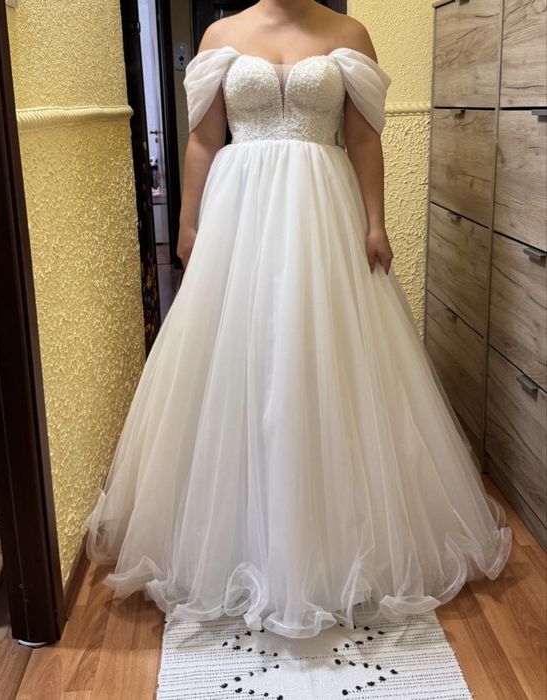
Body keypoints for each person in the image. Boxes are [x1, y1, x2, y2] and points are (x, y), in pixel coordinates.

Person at [84, 0, 512, 640]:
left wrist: (375, 222)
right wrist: (188, 223)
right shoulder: (221, 33)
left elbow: (363, 138)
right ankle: (234, 542)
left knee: (323, 361)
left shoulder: (349, 32)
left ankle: (332, 547)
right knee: (242, 360)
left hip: (322, 214)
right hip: (240, 217)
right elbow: (203, 140)